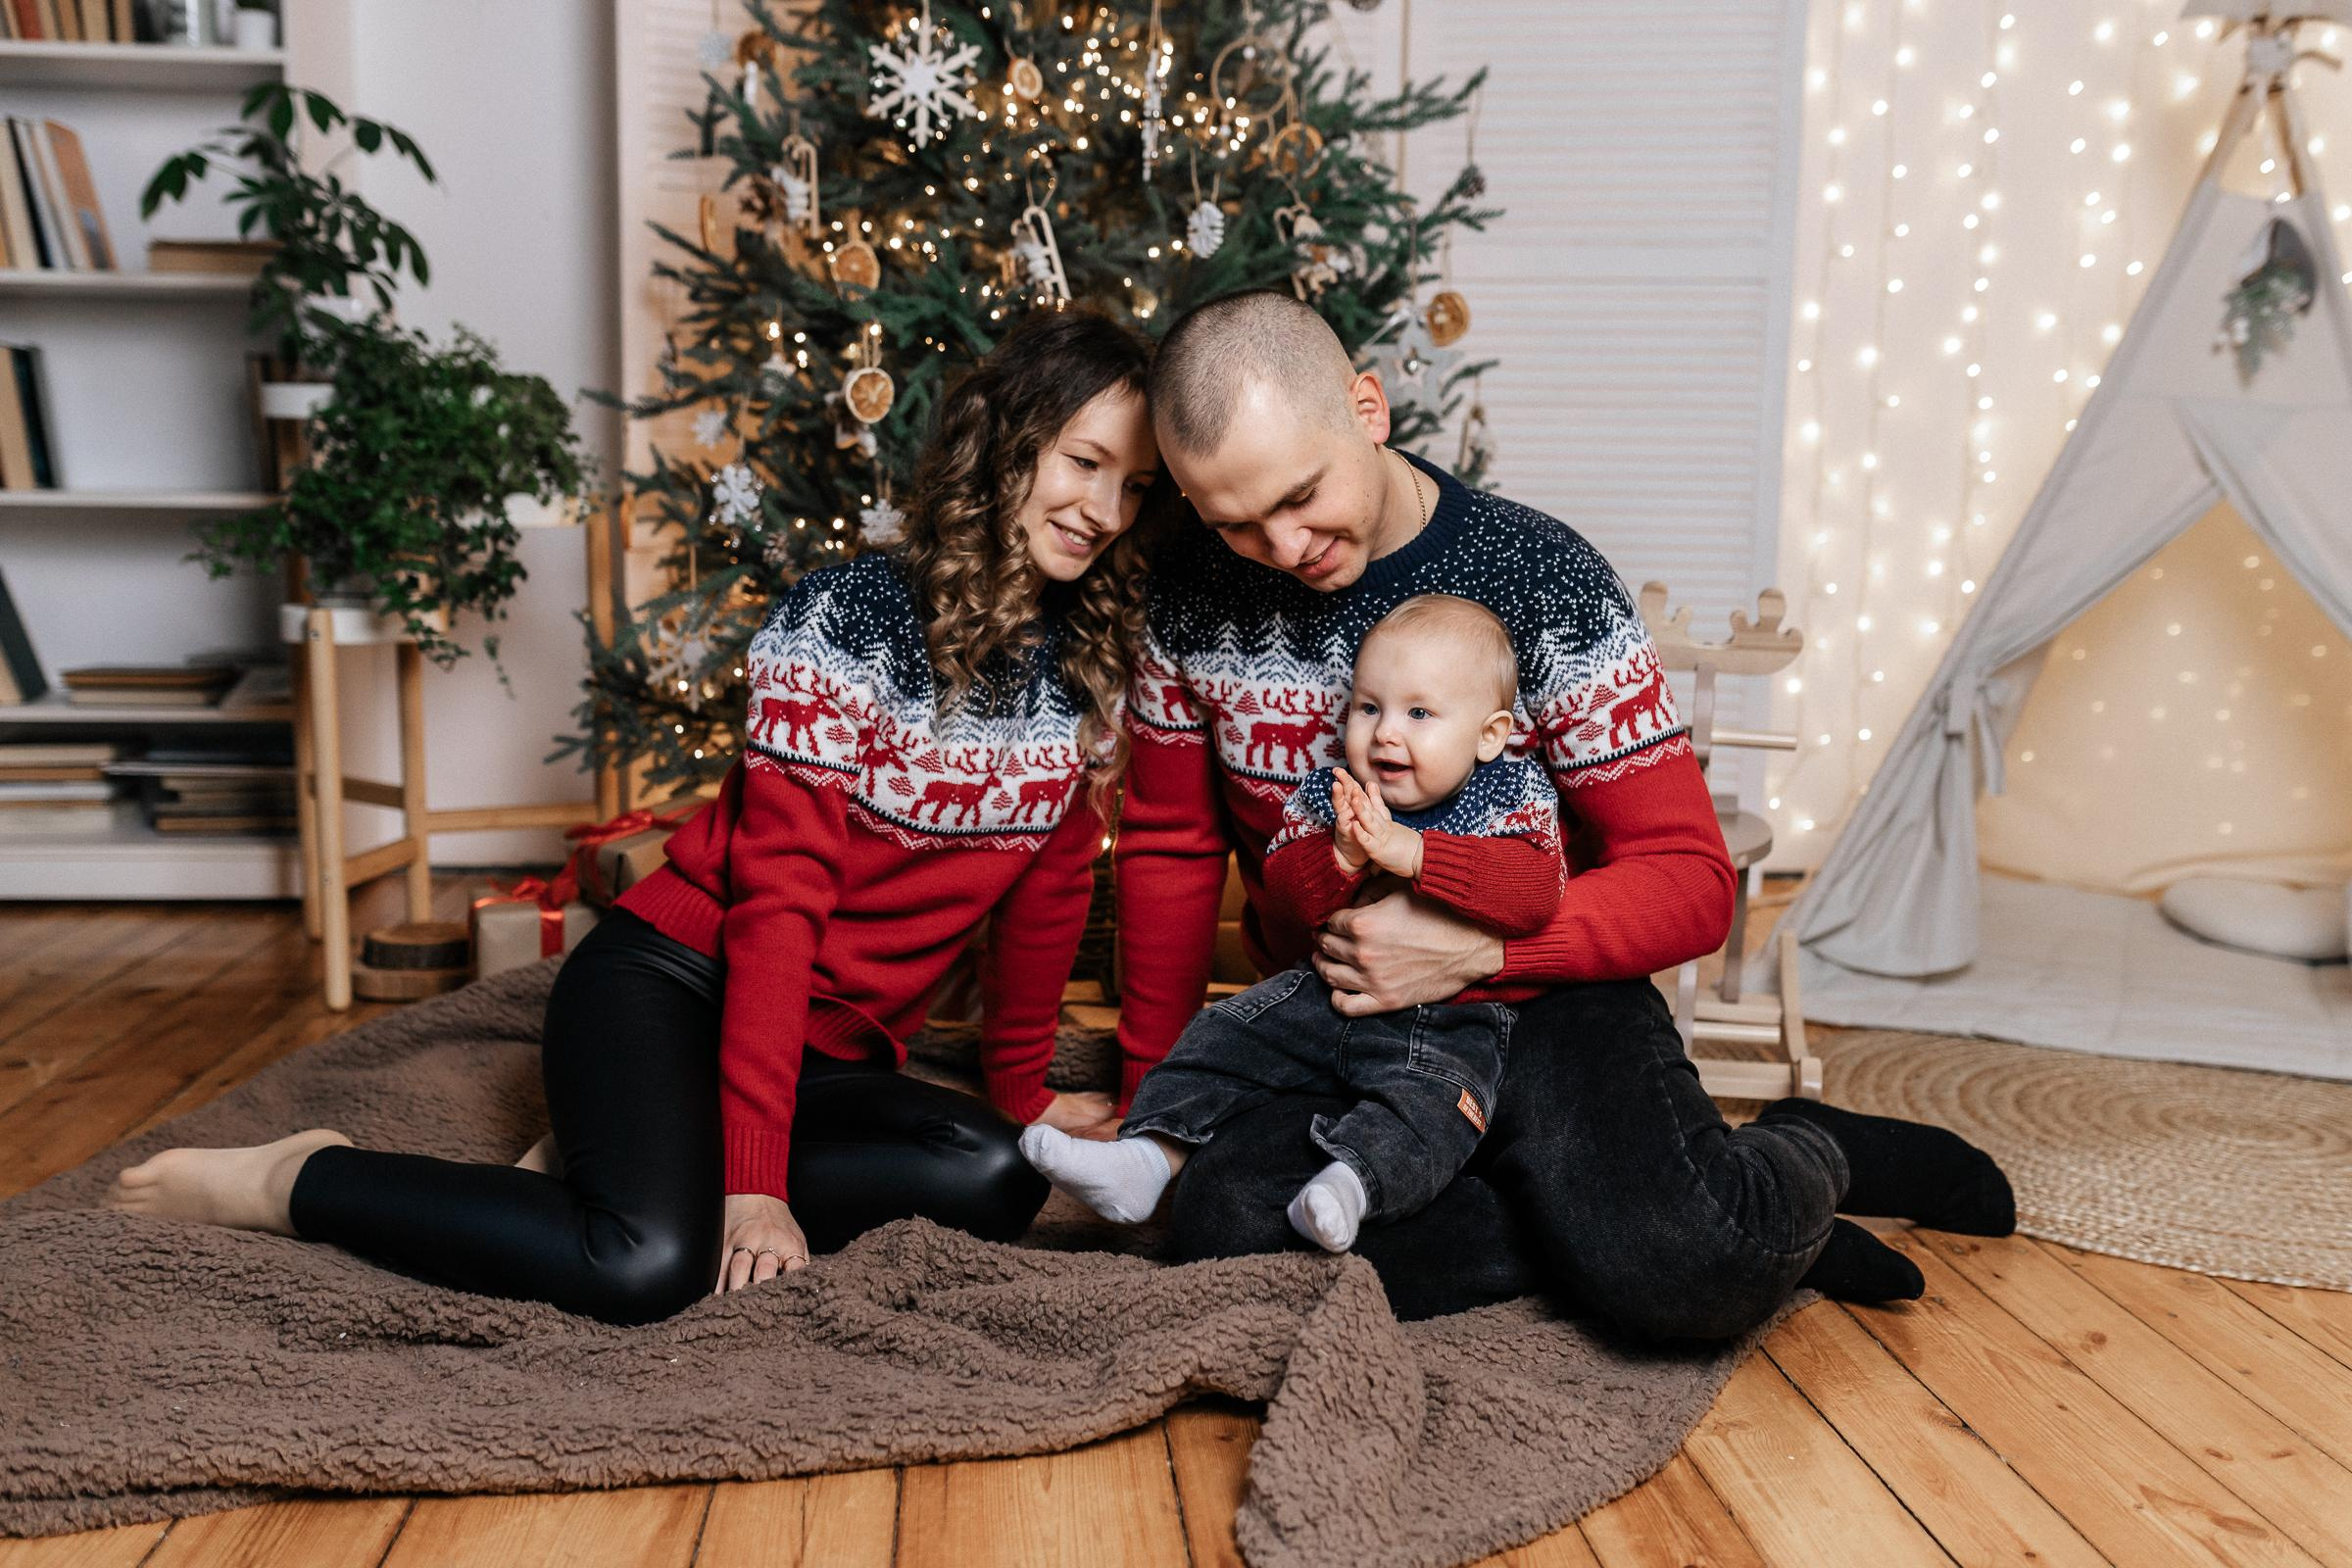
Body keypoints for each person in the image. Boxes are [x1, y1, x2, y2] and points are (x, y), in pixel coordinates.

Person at [107, 308, 1169, 1326]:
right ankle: (300, 1179)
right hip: (678, 983)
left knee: (997, 1177)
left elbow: (1049, 894)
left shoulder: (1089, 669)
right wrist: (751, 1183)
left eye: (1135, 487)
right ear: (1009, 448)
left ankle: (634, 1156)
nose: (1105, 511)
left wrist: (1023, 1090)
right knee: (644, 1265)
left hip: (832, 1056)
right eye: (1083, 462)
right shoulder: (848, 618)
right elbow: (778, 905)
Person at [1114, 289, 2015, 1334]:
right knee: (1223, 1220)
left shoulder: (1542, 581)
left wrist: (1476, 957)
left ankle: (1805, 1152)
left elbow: (1690, 881)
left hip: (1545, 995)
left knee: (1682, 1271)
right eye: (1234, 523)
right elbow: (1171, 850)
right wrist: (1157, 1100)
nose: (1282, 545)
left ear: (1368, 408)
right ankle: (1597, 1216)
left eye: (1303, 495)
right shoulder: (1186, 603)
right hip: (1341, 1017)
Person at [1021, 593, 1563, 1254]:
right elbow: (1283, 895)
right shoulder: (1334, 789)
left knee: (1433, 1110)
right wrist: (1338, 855)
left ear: (1489, 733)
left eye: (1419, 713)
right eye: (1370, 708)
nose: (1385, 732)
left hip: (1454, 1022)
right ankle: (1145, 1159)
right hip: (1320, 995)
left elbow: (1534, 893)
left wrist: (1417, 853)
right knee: (1222, 1034)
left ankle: (1349, 1187)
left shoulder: (1510, 795)